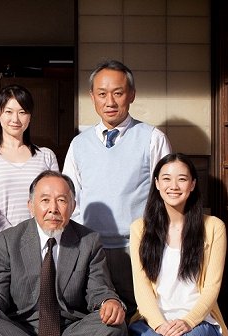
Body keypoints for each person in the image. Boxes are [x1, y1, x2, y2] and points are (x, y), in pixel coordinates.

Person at [0, 171, 127, 336]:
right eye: (45, 200)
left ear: (73, 206)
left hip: (71, 330)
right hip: (20, 328)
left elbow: (99, 290)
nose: (53, 209)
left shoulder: (89, 241)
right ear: (30, 205)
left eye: (61, 200)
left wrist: (109, 301)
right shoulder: (8, 240)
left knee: (116, 324)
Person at [62, 60, 171, 318]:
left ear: (131, 95)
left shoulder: (152, 138)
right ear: (92, 98)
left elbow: (166, 197)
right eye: (102, 94)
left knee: (139, 314)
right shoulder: (79, 144)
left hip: (136, 247)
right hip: (91, 248)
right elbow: (70, 197)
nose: (110, 101)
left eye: (118, 93)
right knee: (97, 314)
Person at [126, 153, 228, 336]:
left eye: (182, 179)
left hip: (198, 321)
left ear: (193, 184)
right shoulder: (140, 228)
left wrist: (188, 322)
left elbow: (212, 287)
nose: (173, 186)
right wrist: (159, 324)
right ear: (156, 183)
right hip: (155, 321)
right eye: (166, 179)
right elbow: (142, 287)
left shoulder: (213, 227)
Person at [0, 85, 59, 283]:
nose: (15, 119)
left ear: (30, 116)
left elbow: (55, 202)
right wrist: (15, 237)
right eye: (8, 112)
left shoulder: (46, 156)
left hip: (39, 250)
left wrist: (31, 240)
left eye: (22, 112)